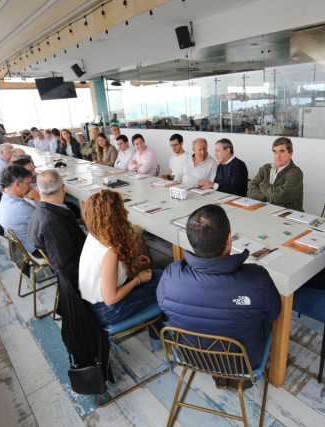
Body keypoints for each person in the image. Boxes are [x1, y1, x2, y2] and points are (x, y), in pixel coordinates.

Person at [157, 204, 281, 388]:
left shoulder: (170, 275)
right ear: (229, 240)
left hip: (191, 356)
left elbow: (164, 307)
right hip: (243, 362)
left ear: (192, 241)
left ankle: (218, 374)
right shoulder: (258, 278)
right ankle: (235, 377)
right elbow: (274, 313)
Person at [79, 190, 163, 348]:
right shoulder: (109, 252)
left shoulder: (94, 235)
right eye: (122, 209)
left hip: (97, 303)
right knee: (164, 288)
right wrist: (138, 280)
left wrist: (133, 262)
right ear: (115, 216)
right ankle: (160, 340)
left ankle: (158, 338)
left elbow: (106, 271)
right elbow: (111, 298)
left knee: (159, 276)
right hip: (108, 309)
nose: (126, 212)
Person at [28, 170, 86, 288]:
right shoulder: (53, 223)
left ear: (38, 190)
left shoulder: (40, 211)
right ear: (63, 188)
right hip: (82, 274)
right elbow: (65, 267)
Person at [247, 137, 304, 211]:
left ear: (290, 153)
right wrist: (267, 198)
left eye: (281, 151)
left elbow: (281, 196)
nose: (277, 156)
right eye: (275, 152)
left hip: (286, 214)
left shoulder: (296, 173)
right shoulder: (265, 168)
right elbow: (251, 186)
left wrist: (262, 185)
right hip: (264, 210)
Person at [0, 165, 39, 254]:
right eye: (28, 183)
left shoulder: (5, 199)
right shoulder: (19, 207)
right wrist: (37, 198)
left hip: (25, 246)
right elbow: (49, 220)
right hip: (38, 250)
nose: (30, 187)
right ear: (17, 184)